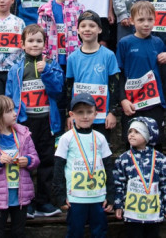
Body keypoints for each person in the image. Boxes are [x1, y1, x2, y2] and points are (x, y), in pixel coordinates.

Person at [4, 25, 64, 218]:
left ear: (45, 44)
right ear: (22, 44)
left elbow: (57, 90)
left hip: (47, 121)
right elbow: (9, 96)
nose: (35, 44)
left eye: (39, 41)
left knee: (47, 161)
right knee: (25, 162)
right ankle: (27, 202)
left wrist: (46, 71)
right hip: (25, 123)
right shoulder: (16, 69)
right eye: (30, 41)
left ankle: (44, 202)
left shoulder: (52, 64)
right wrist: (10, 117)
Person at [0, 95, 40, 237]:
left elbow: (36, 159)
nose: (15, 113)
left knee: (19, 231)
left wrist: (28, 160)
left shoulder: (23, 134)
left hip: (21, 195)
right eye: (9, 111)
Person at [52, 93, 115, 237]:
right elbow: (58, 167)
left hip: (98, 197)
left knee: (99, 231)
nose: (85, 116)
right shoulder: (66, 138)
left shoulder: (100, 138)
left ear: (95, 114)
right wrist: (60, 196)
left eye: (89, 112)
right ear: (72, 114)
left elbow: (108, 167)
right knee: (75, 231)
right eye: (80, 112)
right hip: (76, 198)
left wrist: (110, 195)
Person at [116, 1, 166, 138]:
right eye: (141, 20)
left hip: (154, 103)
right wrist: (123, 99)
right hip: (132, 104)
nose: (146, 24)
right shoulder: (125, 43)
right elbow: (119, 74)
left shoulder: (158, 43)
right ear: (132, 21)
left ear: (155, 20)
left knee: (155, 142)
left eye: (150, 19)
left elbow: (165, 75)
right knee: (132, 142)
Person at [113, 117, 166, 237]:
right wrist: (118, 205)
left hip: (153, 212)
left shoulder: (160, 158)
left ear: (148, 135)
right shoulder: (124, 159)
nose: (132, 135)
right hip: (132, 214)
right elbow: (118, 184)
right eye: (130, 131)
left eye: (137, 132)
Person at [65, 11, 121, 138]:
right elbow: (68, 87)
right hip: (79, 115)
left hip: (101, 116)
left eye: (92, 25)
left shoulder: (108, 55)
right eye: (83, 26)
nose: (87, 29)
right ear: (78, 30)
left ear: (100, 29)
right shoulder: (73, 58)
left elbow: (114, 85)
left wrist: (112, 112)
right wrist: (69, 115)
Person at [37, 0, 85, 71]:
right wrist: (43, 56)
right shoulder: (45, 9)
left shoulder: (79, 8)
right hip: (52, 58)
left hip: (74, 58)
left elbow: (83, 34)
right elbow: (41, 34)